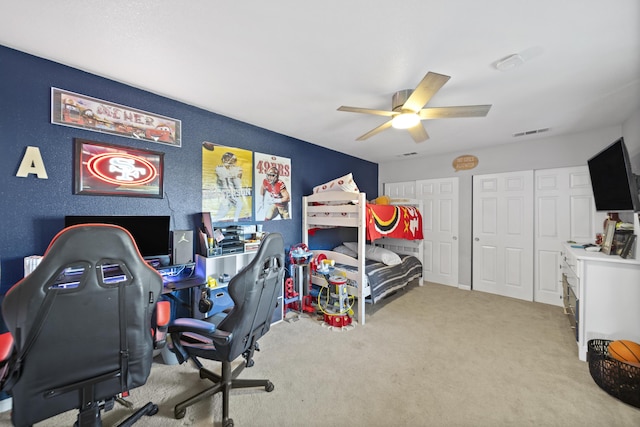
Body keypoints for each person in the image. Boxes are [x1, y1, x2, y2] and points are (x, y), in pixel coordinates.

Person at [212, 152, 244, 222]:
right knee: (223, 212)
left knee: (239, 204)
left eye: (231, 160)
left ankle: (235, 221)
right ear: (223, 160)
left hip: (232, 193)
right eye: (227, 159)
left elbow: (237, 182)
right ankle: (212, 221)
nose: (229, 162)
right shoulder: (219, 169)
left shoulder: (236, 169)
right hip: (224, 193)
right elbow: (222, 179)